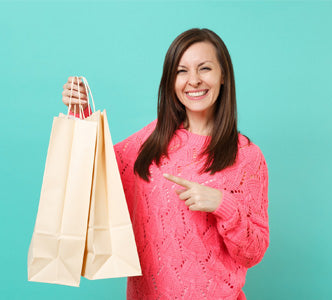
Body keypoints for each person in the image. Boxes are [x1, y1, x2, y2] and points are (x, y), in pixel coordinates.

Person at [61, 28, 269, 300]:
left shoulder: (247, 157)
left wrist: (222, 204)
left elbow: (253, 252)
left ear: (223, 77)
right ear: (171, 81)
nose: (193, 80)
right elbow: (101, 172)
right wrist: (83, 114)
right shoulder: (153, 138)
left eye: (204, 68)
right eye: (182, 71)